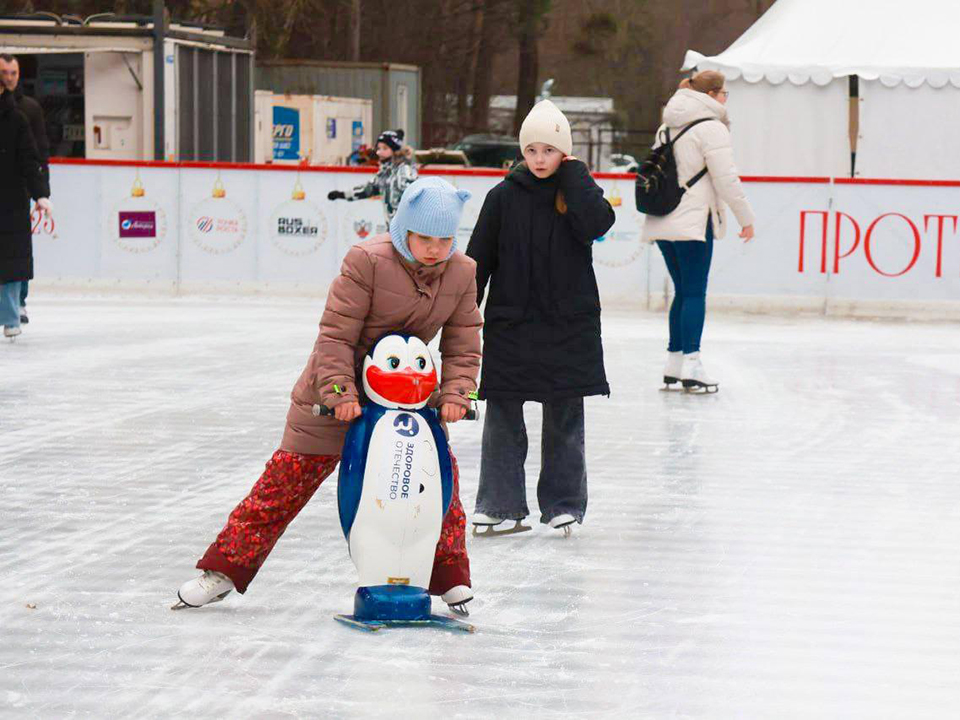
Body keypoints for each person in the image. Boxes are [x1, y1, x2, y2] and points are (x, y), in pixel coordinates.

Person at [177, 177, 482, 615]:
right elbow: (336, 335)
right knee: (283, 483)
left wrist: (457, 392)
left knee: (438, 485)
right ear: (404, 231)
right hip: (334, 394)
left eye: (445, 239)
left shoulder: (462, 271)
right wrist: (339, 392)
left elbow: (464, 338)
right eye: (424, 238)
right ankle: (223, 571)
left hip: (408, 400)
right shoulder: (367, 261)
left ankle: (450, 577)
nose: (435, 249)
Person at [465, 99, 615, 536]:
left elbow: (600, 222)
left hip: (568, 325)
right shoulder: (502, 196)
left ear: (564, 152)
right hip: (512, 324)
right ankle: (499, 504)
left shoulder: (576, 193)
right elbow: (479, 260)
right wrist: (463, 313)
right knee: (503, 416)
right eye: (531, 150)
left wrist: (577, 175)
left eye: (549, 150)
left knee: (565, 414)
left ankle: (564, 503)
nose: (539, 159)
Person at [641, 71, 755, 393]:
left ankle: (673, 362)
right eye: (725, 95)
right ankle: (692, 363)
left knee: (683, 290)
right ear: (713, 95)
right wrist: (745, 217)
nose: (726, 101)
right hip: (692, 222)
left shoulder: (668, 124)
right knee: (693, 292)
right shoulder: (711, 128)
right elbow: (726, 178)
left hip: (663, 219)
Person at [0, 54, 50, 326]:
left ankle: (18, 302)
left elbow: (38, 152)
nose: (9, 78)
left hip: (16, 191)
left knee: (16, 251)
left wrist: (42, 190)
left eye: (13, 73)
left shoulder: (28, 109)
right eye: (4, 72)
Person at [327, 129, 417, 227]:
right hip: (393, 229)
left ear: (396, 151)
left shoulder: (404, 171)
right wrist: (342, 195)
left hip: (408, 230)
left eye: (385, 148)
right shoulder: (385, 172)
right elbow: (368, 189)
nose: (379, 152)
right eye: (378, 148)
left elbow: (415, 197)